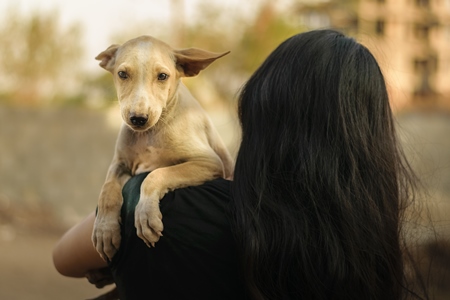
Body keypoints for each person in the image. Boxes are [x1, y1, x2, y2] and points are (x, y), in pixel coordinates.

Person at [53, 29, 426, 300]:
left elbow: (64, 260)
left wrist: (123, 257)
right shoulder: (371, 246)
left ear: (258, 116)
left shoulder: (177, 204)